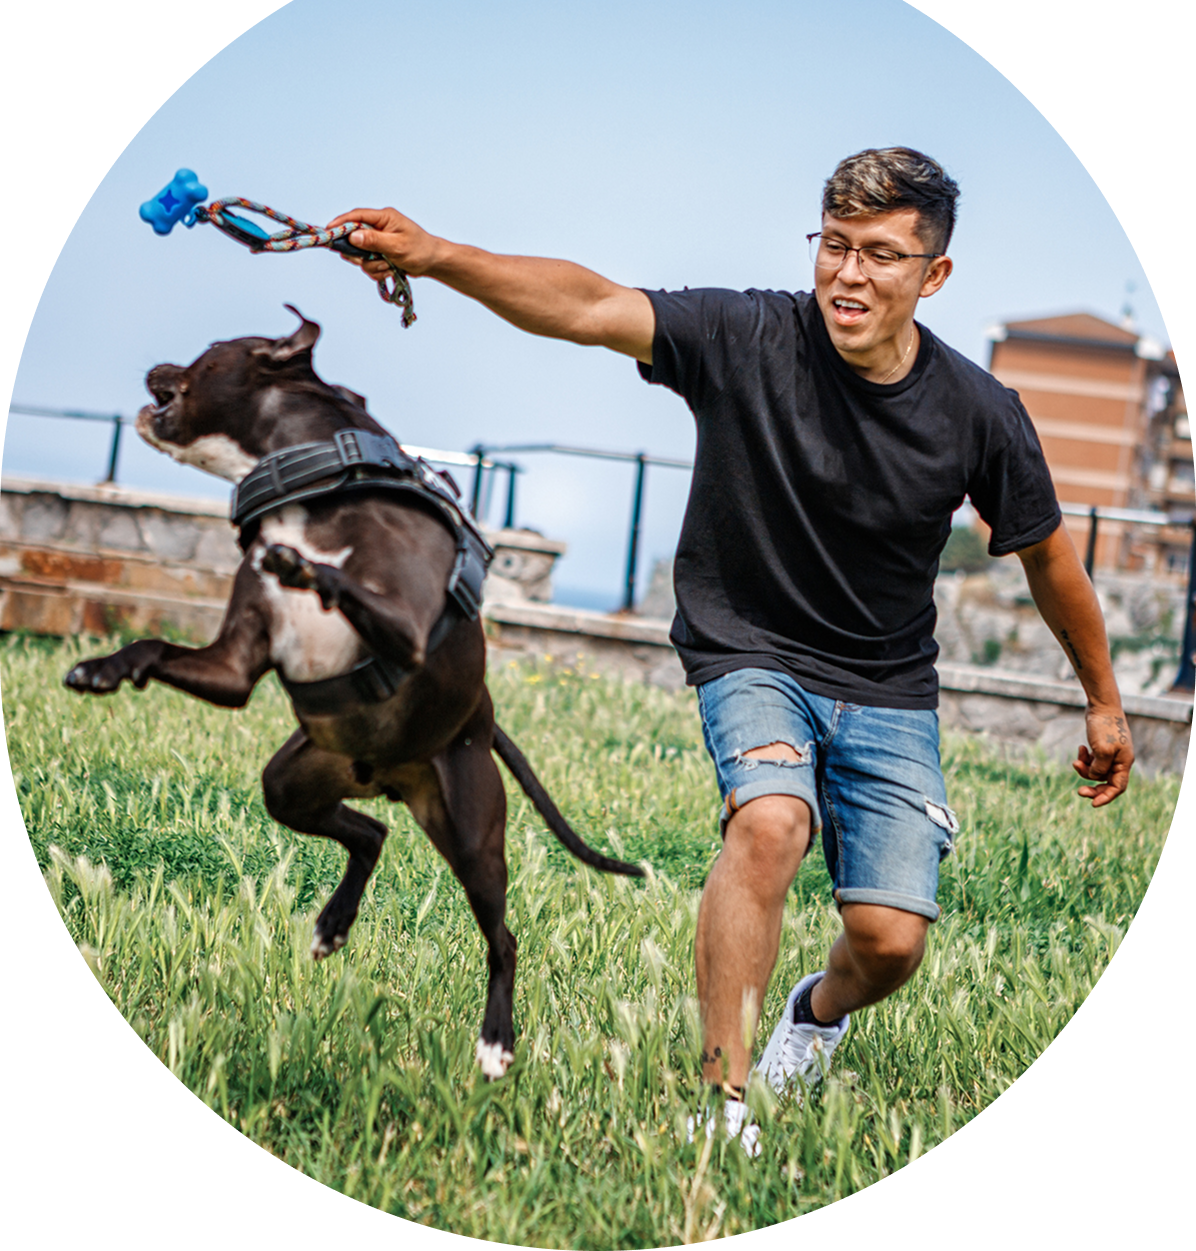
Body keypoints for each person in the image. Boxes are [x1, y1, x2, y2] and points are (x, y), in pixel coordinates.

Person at [329, 147, 1134, 1142]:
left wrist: (1100, 698)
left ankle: (814, 1013)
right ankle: (723, 1102)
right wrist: (437, 252)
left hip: (885, 683)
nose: (847, 273)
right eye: (833, 245)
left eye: (880, 255)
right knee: (768, 821)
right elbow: (587, 305)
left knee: (886, 944)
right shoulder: (745, 333)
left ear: (933, 276)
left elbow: (1049, 560)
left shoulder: (977, 413)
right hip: (747, 647)